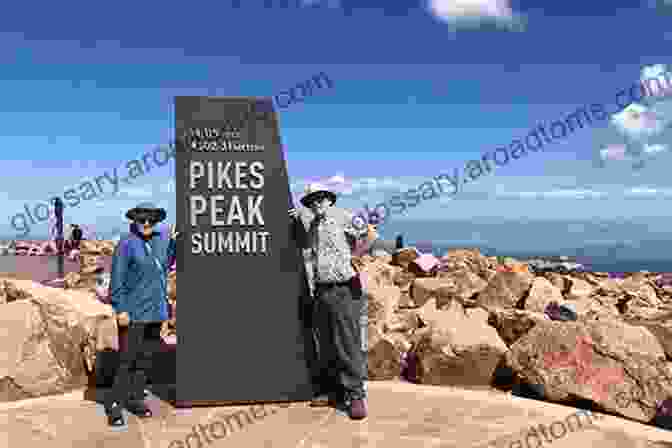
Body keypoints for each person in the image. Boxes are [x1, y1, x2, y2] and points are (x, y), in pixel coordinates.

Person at [288, 183, 369, 420]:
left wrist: (354, 258)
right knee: (327, 344)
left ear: (329, 200)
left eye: (321, 198)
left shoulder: (344, 217)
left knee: (347, 342)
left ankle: (355, 395)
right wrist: (295, 220)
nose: (317, 203)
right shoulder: (312, 224)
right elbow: (305, 245)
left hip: (343, 288)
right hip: (322, 290)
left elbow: (369, 233)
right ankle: (335, 392)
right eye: (312, 200)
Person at [105, 202, 177, 427]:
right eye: (142, 219)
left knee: (145, 360)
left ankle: (135, 399)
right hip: (134, 313)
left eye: (151, 220)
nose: (146, 223)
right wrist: (120, 309)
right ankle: (115, 404)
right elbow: (116, 280)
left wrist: (176, 241)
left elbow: (167, 264)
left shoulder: (161, 241)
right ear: (134, 221)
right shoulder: (126, 244)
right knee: (127, 360)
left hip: (155, 311)